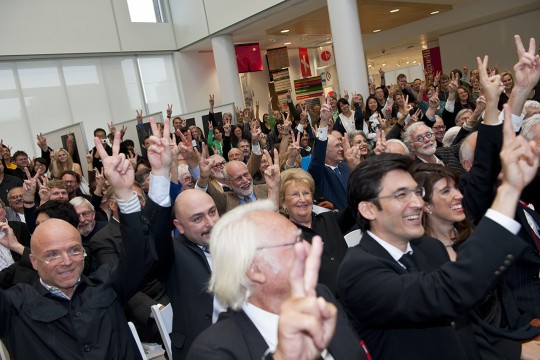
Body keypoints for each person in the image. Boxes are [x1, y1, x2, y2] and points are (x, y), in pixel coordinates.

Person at [338, 102, 540, 360]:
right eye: (401, 195)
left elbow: (464, 327)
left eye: (417, 192)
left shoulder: (429, 249)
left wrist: (516, 349)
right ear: (368, 210)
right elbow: (448, 292)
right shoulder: (359, 269)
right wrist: (509, 189)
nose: (416, 203)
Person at [0, 130, 155, 359]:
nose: (66, 262)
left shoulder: (106, 284)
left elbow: (138, 253)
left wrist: (124, 194)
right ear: (33, 260)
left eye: (74, 250)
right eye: (52, 255)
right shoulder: (16, 305)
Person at [187, 200, 368, 360]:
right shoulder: (215, 351)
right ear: (254, 269)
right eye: (296, 241)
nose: (308, 246)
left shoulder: (321, 296)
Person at [279, 168, 353, 295]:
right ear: (283, 204)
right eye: (295, 194)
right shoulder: (284, 235)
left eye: (306, 193)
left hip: (355, 291)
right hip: (321, 304)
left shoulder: (330, 219)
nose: (302, 199)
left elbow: (357, 206)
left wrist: (356, 167)